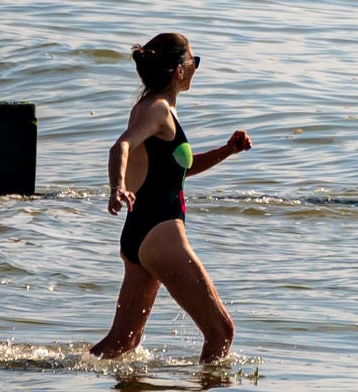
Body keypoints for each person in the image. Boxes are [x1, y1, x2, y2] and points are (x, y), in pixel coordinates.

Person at [96, 31, 253, 364]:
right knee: (221, 332)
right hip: (160, 236)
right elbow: (120, 145)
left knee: (121, 344)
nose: (197, 67)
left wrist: (226, 151)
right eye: (194, 61)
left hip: (141, 234)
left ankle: (49, 374)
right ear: (179, 70)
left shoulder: (156, 109)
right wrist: (117, 186)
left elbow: (181, 167)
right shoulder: (157, 110)